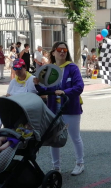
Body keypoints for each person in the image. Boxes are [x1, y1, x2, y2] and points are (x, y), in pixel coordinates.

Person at [34, 41, 85, 176]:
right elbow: (45, 89)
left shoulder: (72, 68)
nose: (62, 52)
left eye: (65, 50)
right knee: (53, 139)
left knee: (75, 137)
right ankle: (56, 167)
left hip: (70, 108)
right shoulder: (50, 69)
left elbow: (79, 86)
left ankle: (80, 163)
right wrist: (38, 85)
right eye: (59, 49)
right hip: (53, 109)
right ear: (53, 52)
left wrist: (65, 92)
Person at [0, 58, 37, 136]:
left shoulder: (31, 80)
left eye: (19, 68)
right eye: (15, 68)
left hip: (24, 107)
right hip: (13, 105)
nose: (17, 71)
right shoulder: (13, 81)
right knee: (0, 103)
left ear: (25, 67)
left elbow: (33, 96)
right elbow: (8, 94)